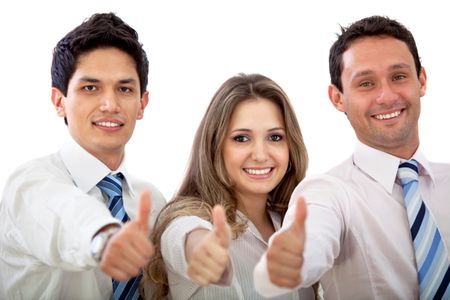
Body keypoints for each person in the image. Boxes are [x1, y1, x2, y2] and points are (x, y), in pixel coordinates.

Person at [253, 15, 450, 299]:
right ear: (337, 98)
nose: (386, 96)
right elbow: (309, 240)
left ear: (421, 80)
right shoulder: (328, 193)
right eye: (366, 83)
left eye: (398, 76)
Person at [0, 13, 166, 299]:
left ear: (142, 104)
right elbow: (63, 215)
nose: (110, 104)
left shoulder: (151, 201)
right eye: (90, 88)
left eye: (124, 89)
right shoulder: (30, 184)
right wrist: (104, 238)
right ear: (59, 101)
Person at [142, 73, 315, 299]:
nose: (261, 155)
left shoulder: (290, 223)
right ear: (215, 146)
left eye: (275, 137)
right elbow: (184, 238)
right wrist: (202, 250)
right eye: (241, 138)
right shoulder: (188, 222)